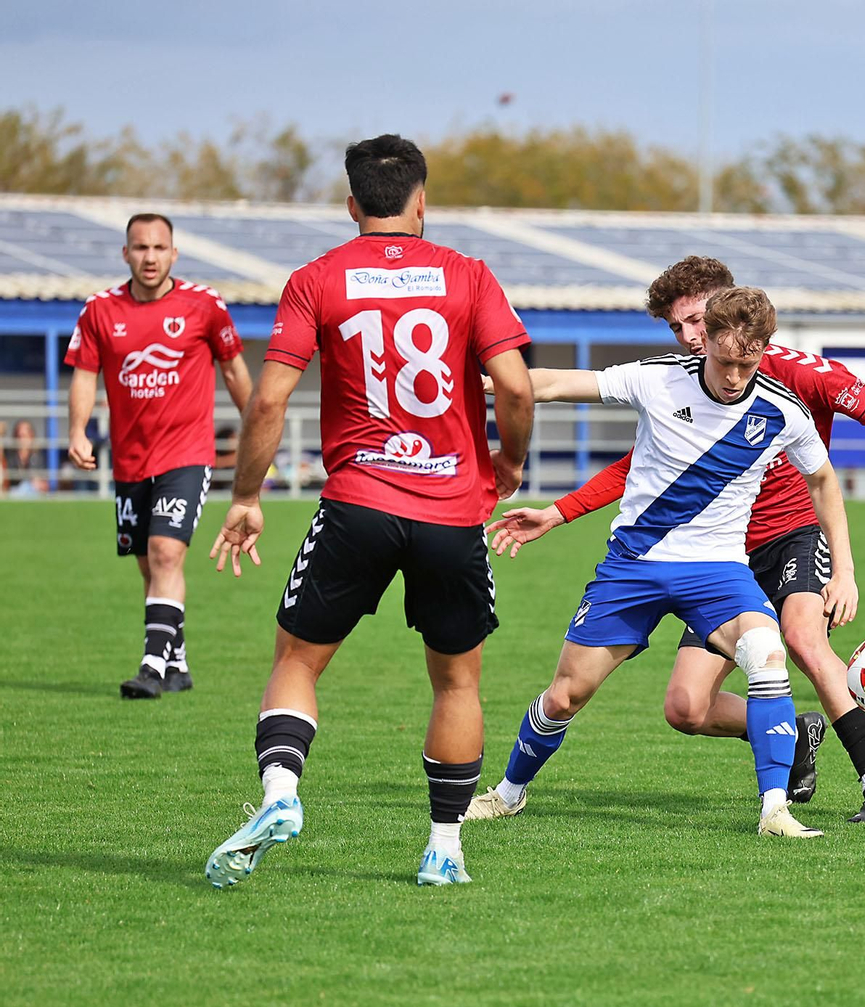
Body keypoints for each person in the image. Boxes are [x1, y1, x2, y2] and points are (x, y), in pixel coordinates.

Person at [473, 256, 865, 823]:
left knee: (795, 642)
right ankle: (791, 738)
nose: (690, 339)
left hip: (774, 540)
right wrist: (558, 504)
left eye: (694, 322)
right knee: (681, 707)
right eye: (680, 329)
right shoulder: (667, 377)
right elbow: (649, 464)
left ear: (726, 311)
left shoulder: (793, 386)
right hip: (672, 555)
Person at [204, 134, 535, 887]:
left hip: (357, 503)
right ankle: (444, 847)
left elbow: (269, 399)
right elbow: (514, 388)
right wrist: (508, 460)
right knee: (456, 682)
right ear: (421, 201)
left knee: (296, 659)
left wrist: (247, 497)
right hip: (453, 510)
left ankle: (282, 792)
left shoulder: (316, 279)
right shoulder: (467, 275)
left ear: (352, 204)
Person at [64, 212, 254, 698]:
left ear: (174, 253)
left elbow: (233, 371)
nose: (150, 257)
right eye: (140, 247)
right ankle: (178, 662)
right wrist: (78, 430)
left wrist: (258, 428)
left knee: (166, 552)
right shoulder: (99, 310)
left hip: (188, 453)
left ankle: (151, 669)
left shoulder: (204, 305)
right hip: (130, 459)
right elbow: (85, 373)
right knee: (150, 567)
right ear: (125, 253)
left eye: (158, 247)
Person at [4, 420, 50, 495]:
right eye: (18, 436)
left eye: (24, 436)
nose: (21, 440)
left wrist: (37, 484)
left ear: (31, 437)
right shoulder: (9, 457)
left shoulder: (38, 457)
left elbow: (46, 485)